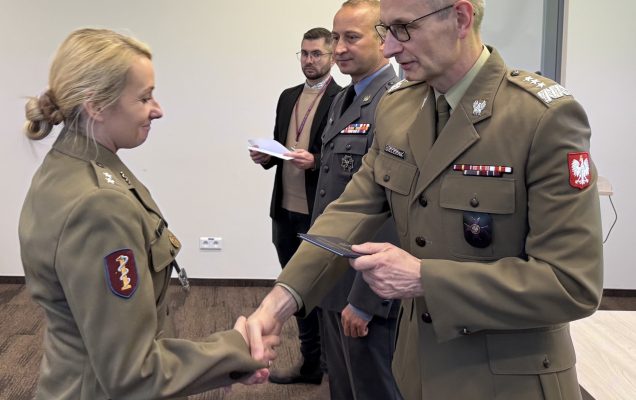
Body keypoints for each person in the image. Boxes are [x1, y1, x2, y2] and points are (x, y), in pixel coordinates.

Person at [245, 0, 604, 399]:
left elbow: (571, 283)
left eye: (403, 29)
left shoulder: (540, 118)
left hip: (506, 381)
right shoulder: (400, 107)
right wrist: (278, 304)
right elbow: (349, 211)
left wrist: (423, 278)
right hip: (414, 367)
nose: (388, 49)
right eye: (384, 30)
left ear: (461, 18)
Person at [19, 28, 277, 400]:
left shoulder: (66, 167)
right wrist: (235, 349)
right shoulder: (98, 204)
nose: (158, 109)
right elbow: (133, 373)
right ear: (95, 105)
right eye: (144, 97)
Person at [309, 1, 402, 399]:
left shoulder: (397, 103)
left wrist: (366, 300)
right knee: (342, 386)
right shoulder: (342, 99)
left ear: (384, 41)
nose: (339, 48)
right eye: (335, 38)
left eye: (351, 37)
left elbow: (398, 211)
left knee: (373, 387)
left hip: (365, 286)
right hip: (334, 277)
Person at [249, 27, 340, 385]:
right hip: (284, 209)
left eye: (316, 53)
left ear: (331, 56)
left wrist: (315, 161)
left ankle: (332, 365)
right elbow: (281, 145)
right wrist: (265, 155)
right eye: (304, 53)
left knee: (324, 291)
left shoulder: (342, 98)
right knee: (295, 290)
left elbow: (342, 156)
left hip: (319, 212)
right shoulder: (288, 97)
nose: (309, 60)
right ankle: (310, 364)